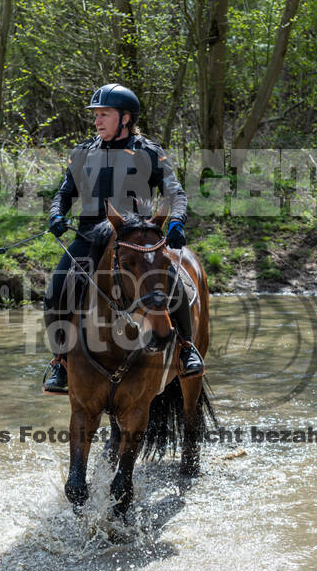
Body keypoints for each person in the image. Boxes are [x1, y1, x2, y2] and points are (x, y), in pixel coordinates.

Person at [43, 83, 204, 393]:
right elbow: (64, 193)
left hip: (137, 239)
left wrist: (176, 222)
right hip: (90, 237)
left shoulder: (149, 152)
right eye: (95, 115)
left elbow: (176, 192)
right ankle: (60, 362)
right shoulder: (83, 152)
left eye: (104, 114)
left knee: (171, 280)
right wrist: (56, 214)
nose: (97, 121)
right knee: (55, 290)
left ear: (126, 118)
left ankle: (186, 348)